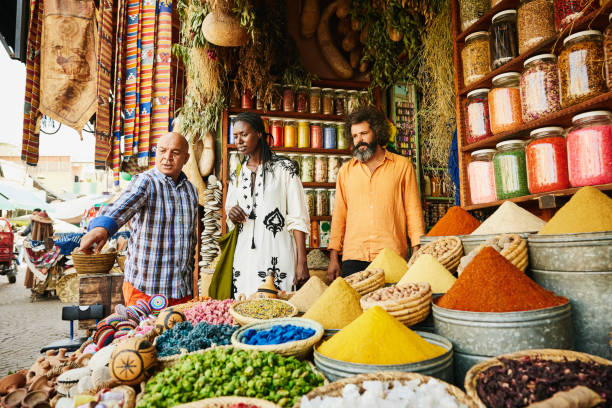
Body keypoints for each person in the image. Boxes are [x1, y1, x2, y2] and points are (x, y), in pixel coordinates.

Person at [78, 132, 198, 306]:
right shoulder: (146, 182)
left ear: (185, 158)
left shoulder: (191, 191)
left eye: (175, 153)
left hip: (181, 289)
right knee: (142, 333)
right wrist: (101, 228)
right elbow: (121, 206)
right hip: (145, 290)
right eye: (162, 151)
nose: (167, 157)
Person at [328, 106, 425, 280]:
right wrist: (334, 256)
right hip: (354, 257)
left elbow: (413, 211)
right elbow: (339, 216)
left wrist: (417, 249)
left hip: (391, 255)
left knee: (390, 305)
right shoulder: (346, 172)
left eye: (364, 133)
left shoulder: (402, 166)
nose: (359, 140)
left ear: (377, 132)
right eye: (355, 136)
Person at [225, 112, 310, 297]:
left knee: (279, 306)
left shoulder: (284, 168)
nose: (239, 141)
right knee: (246, 307)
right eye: (236, 136)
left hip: (278, 252)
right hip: (245, 256)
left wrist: (302, 261)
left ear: (259, 134)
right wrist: (232, 214)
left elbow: (298, 216)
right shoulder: (237, 174)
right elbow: (229, 212)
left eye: (244, 135)